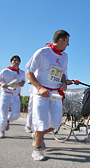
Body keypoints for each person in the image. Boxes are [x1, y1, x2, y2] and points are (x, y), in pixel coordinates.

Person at [26, 30, 79, 161]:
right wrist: (39, 87)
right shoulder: (42, 52)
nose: (68, 44)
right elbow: (29, 73)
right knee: (40, 122)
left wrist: (64, 84)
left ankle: (38, 135)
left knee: (56, 123)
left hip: (55, 93)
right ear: (60, 40)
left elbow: (63, 75)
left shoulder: (65, 56)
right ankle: (37, 149)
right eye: (67, 41)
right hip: (41, 93)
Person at [0, 55, 26, 138]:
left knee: (16, 115)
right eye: (14, 60)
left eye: (18, 60)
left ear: (20, 62)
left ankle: (8, 120)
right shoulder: (5, 71)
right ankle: (1, 130)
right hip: (6, 94)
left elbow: (23, 81)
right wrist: (2, 84)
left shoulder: (22, 72)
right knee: (3, 114)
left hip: (15, 95)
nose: (16, 62)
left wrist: (22, 84)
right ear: (11, 62)